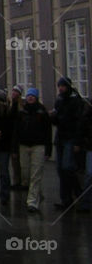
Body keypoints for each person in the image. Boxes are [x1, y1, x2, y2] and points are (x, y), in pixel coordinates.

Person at [50, 76, 86, 209]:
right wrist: (53, 118)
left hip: (71, 138)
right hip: (60, 138)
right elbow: (58, 120)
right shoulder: (59, 100)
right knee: (60, 169)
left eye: (63, 86)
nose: (60, 88)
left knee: (67, 167)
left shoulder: (75, 101)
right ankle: (66, 199)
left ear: (68, 86)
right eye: (59, 86)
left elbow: (79, 123)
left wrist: (77, 142)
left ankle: (78, 194)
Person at [15, 87, 52, 213]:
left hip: (38, 145)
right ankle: (37, 194)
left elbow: (48, 131)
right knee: (25, 173)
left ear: (36, 98)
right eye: (29, 96)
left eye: (33, 96)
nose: (30, 97)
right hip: (23, 145)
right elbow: (16, 131)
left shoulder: (42, 112)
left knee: (36, 173)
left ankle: (32, 202)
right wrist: (15, 148)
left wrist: (48, 150)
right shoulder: (22, 112)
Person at [9, 85, 24, 190]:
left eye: (16, 92)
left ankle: (21, 181)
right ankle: (16, 180)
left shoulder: (21, 106)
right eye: (13, 91)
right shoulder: (11, 105)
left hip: (19, 136)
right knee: (14, 160)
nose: (13, 93)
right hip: (11, 136)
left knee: (20, 161)